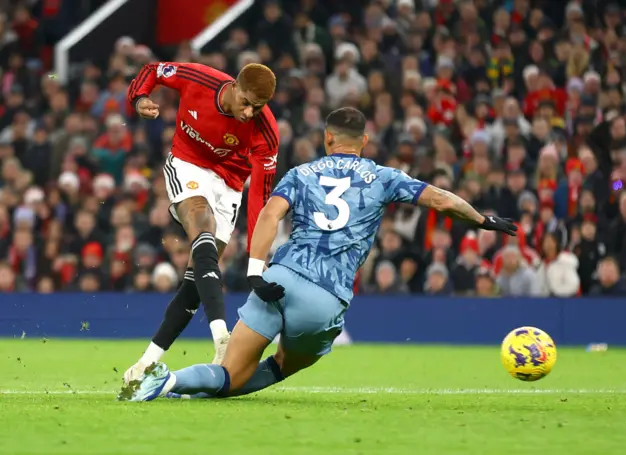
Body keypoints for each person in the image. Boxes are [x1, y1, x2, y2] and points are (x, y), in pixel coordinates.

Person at [118, 108, 516, 402]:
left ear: (327, 139)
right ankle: (180, 385)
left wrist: (257, 271)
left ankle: (168, 381)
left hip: (281, 278)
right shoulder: (383, 176)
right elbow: (440, 200)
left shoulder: (301, 173)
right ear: (364, 142)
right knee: (283, 365)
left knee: (228, 373)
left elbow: (270, 216)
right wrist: (482, 220)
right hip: (325, 297)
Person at [122, 61, 280, 384]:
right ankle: (222, 336)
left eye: (258, 107)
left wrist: (255, 262)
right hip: (187, 165)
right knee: (202, 227)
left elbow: (259, 200)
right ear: (235, 87)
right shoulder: (199, 80)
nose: (250, 113)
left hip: (231, 187)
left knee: (197, 280)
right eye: (246, 103)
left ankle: (145, 364)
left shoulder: (266, 132)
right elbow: (152, 70)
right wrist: (139, 97)